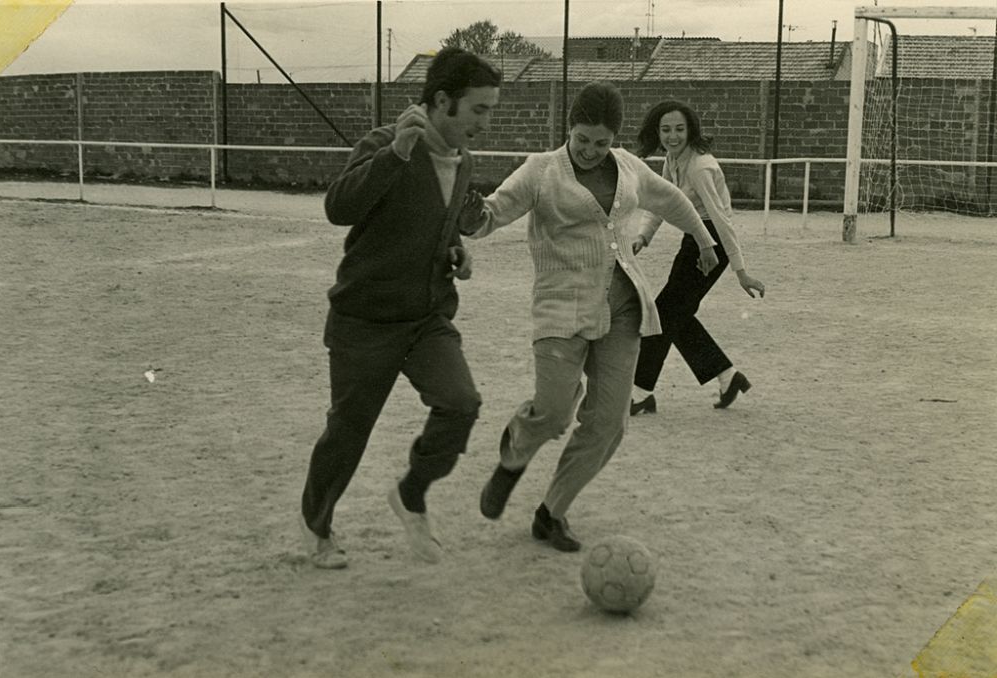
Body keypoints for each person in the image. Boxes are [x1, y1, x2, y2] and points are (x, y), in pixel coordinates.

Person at [458, 82, 719, 552]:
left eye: (601, 143)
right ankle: (515, 452)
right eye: (582, 140)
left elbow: (672, 201)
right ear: (569, 129)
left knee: (608, 425)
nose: (590, 151)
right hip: (561, 310)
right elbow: (492, 215)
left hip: (623, 312)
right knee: (554, 413)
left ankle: (551, 512)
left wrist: (702, 242)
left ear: (614, 138)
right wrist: (470, 215)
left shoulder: (629, 168)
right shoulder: (541, 171)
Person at [298, 48, 501, 569]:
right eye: (477, 109)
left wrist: (457, 249)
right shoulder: (384, 143)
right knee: (349, 430)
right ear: (441, 102)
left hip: (427, 318)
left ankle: (412, 493)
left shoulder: (464, 161)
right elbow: (337, 208)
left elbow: (441, 222)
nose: (486, 121)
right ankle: (316, 526)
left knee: (461, 403)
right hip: (364, 320)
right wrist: (397, 153)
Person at [629, 100, 766, 416]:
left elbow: (721, 219)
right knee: (677, 315)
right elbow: (664, 202)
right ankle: (727, 376)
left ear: (690, 130)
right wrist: (643, 236)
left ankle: (640, 392)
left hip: (710, 244)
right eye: (666, 130)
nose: (672, 136)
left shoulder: (699, 167)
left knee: (664, 315)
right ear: (657, 131)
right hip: (696, 240)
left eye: (679, 129)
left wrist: (740, 271)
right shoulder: (673, 159)